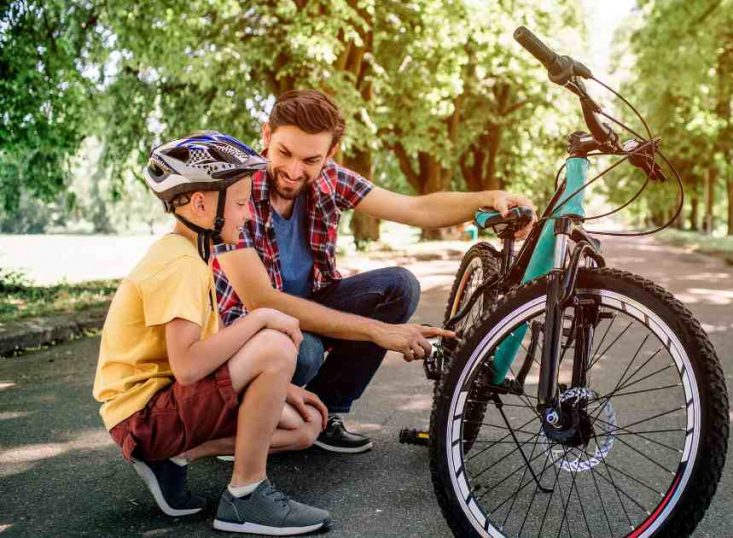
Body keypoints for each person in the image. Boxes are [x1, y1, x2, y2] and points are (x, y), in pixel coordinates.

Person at [213, 89, 536, 453]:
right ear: (267, 135)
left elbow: (416, 209)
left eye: (310, 159)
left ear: (330, 154)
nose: (293, 171)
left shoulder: (330, 179)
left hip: (307, 306)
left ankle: (323, 412)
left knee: (399, 285)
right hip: (254, 328)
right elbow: (263, 300)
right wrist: (379, 332)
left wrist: (488, 198)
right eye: (284, 152)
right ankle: (245, 418)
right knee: (305, 352)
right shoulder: (235, 191)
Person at [93, 132, 331, 535]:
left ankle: (173, 457)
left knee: (303, 425)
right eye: (239, 203)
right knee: (274, 346)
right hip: (144, 416)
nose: (249, 215)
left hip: (161, 412)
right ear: (201, 203)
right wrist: (260, 318)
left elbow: (207, 355)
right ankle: (246, 496)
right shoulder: (180, 265)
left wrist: (283, 390)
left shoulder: (191, 256)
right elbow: (187, 367)